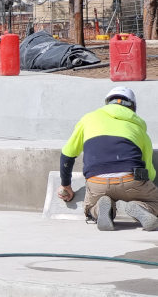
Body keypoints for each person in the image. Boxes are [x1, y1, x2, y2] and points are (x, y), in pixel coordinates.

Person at [58, 87, 158, 231]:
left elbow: (67, 154)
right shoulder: (139, 129)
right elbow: (149, 171)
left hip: (97, 181)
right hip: (131, 179)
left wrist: (65, 185)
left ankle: (100, 209)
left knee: (90, 207)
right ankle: (141, 207)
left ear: (107, 103)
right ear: (133, 107)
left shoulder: (88, 119)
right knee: (155, 202)